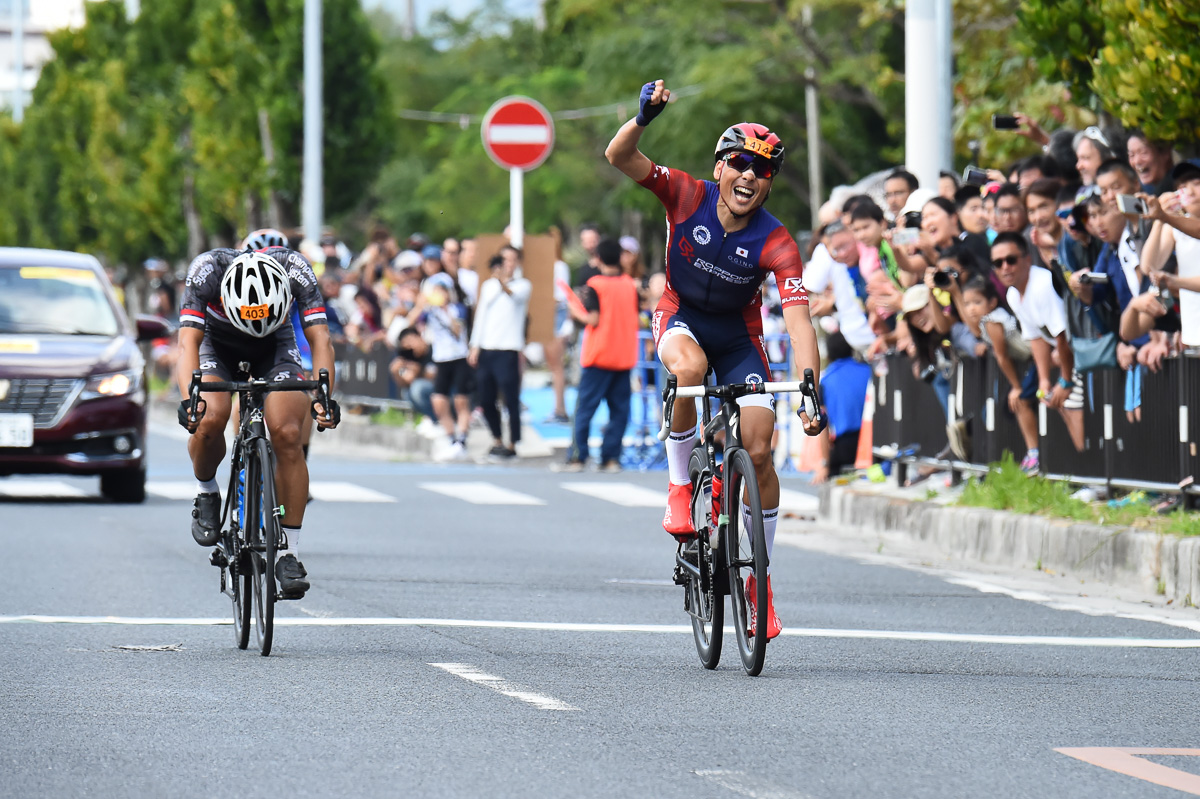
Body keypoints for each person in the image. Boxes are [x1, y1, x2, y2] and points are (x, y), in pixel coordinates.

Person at [605, 79, 824, 640]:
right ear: (721, 167)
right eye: (741, 163)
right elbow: (619, 156)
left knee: (760, 449)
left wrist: (808, 387)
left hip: (738, 339)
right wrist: (644, 118)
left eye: (763, 169)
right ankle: (680, 486)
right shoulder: (685, 194)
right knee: (689, 372)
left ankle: (760, 582)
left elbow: (799, 319)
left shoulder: (777, 241)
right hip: (680, 318)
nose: (750, 175)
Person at [176, 245, 339, 600]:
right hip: (217, 347)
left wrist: (325, 396)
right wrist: (191, 400)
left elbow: (320, 338)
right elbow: (187, 342)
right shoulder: (207, 271)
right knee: (210, 417)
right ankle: (206, 492)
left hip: (275, 347)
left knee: (288, 431)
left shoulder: (296, 268)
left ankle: (289, 552)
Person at [991, 232, 1083, 460]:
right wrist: (1044, 381)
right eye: (998, 263)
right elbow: (1037, 339)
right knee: (1062, 406)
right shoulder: (1013, 294)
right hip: (1064, 355)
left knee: (1074, 409)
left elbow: (1062, 336)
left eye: (1011, 260)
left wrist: (1065, 380)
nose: (1005, 267)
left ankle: (1093, 477)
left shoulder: (1042, 284)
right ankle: (1082, 474)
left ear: (1027, 259)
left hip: (1080, 350)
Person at [561, 238, 640, 472]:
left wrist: (575, 310)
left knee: (584, 408)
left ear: (598, 258)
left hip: (599, 355)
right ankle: (611, 458)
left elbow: (593, 319)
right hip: (624, 355)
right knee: (620, 411)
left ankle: (578, 457)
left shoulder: (595, 284)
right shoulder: (629, 284)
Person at [469, 247, 532, 460]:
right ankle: (497, 437)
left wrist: (502, 281)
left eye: (512, 260)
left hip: (508, 348)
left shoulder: (523, 285)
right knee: (486, 398)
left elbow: (514, 297)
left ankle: (513, 441)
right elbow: (481, 315)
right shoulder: (488, 286)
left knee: (510, 398)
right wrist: (475, 344)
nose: (508, 264)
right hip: (487, 347)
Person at [814, 332, 871, 482]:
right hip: (872, 441)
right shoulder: (869, 371)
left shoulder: (826, 381)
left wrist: (825, 465)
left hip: (845, 446)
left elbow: (823, 426)